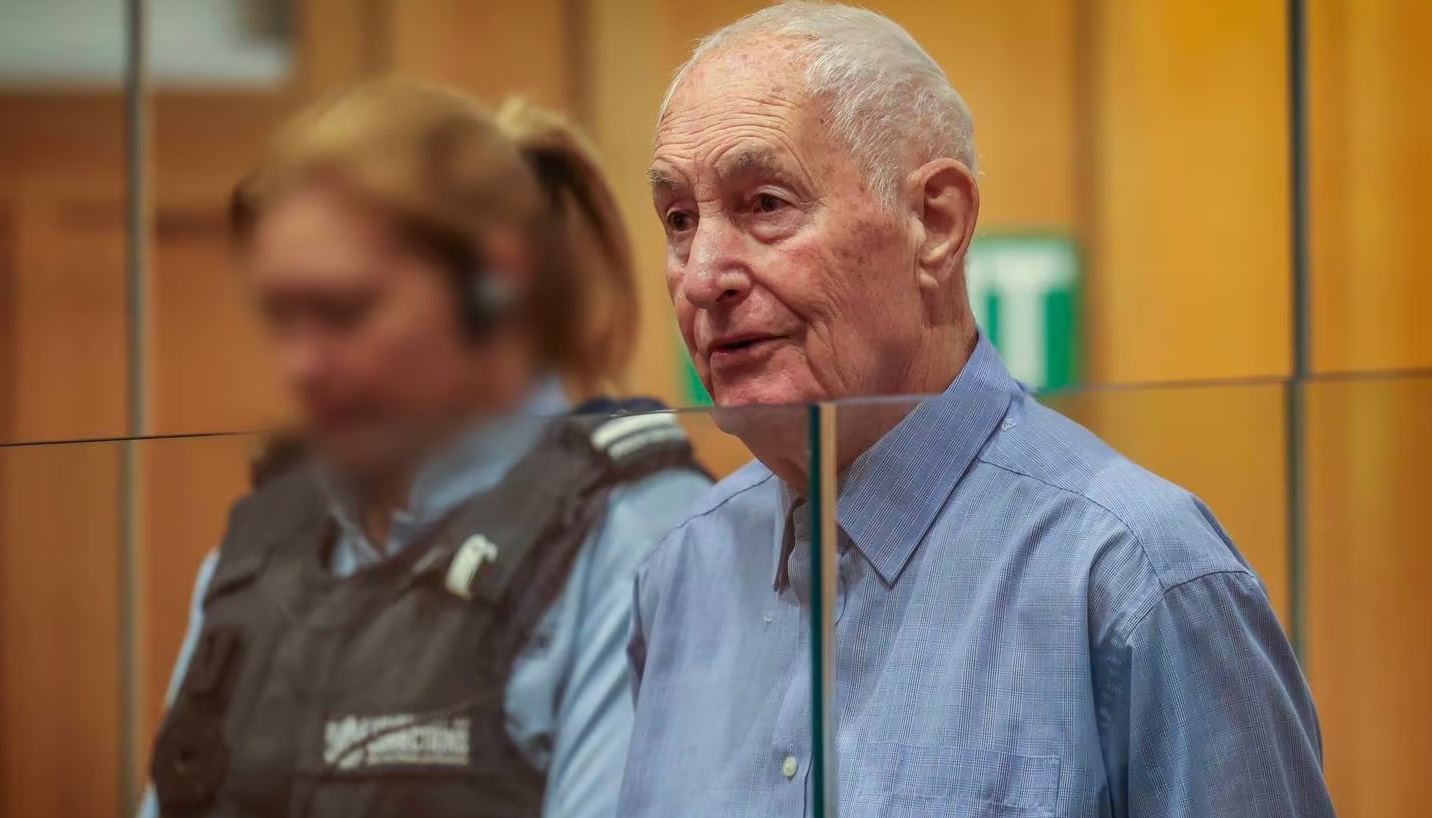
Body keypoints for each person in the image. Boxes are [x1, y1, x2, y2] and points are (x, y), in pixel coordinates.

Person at [619, 3, 1336, 817]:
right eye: (679, 220)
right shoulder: (680, 573)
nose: (704, 273)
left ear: (936, 223)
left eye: (766, 205)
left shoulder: (1136, 573)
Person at [140, 78, 710, 818]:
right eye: (282, 317)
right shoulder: (255, 553)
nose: (300, 365)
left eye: (345, 310)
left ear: (493, 283)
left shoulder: (643, 540)